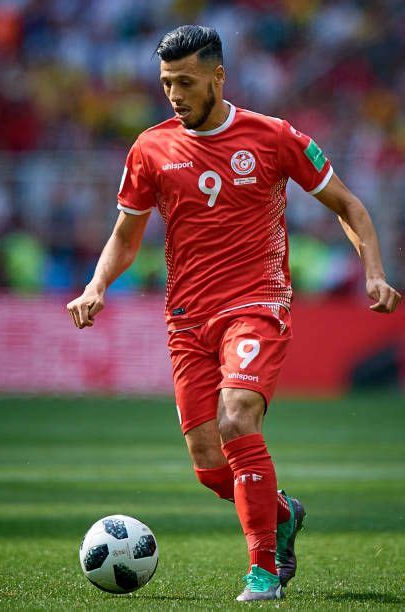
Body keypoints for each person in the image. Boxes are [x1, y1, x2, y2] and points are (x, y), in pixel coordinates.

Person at [67, 25, 401, 602]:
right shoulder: (149, 148)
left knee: (237, 418)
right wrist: (97, 285)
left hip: (257, 304)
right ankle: (281, 513)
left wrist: (373, 269)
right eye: (167, 83)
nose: (174, 93)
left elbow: (347, 203)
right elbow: (126, 235)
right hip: (187, 319)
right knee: (206, 462)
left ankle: (263, 572)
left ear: (218, 77)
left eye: (186, 82)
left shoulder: (273, 137)